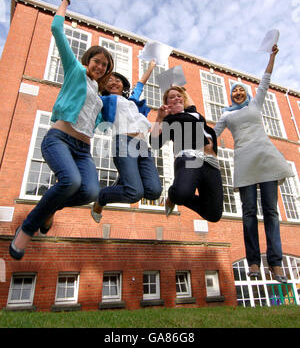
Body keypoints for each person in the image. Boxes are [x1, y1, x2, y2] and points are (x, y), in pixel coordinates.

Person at [9, 0, 115, 260]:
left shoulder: (101, 98)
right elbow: (57, 28)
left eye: (105, 65)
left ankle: (50, 207)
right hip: (59, 140)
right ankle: (27, 227)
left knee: (90, 190)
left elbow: (101, 127)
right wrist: (66, 0)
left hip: (83, 150)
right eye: (97, 61)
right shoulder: (75, 71)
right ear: (88, 61)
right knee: (70, 181)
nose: (100, 67)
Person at [214, 45, 293, 283]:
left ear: (247, 93)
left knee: (271, 211)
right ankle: (254, 262)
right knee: (249, 212)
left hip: (266, 159)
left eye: (240, 90)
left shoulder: (255, 104)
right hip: (245, 162)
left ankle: (276, 263)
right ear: (231, 97)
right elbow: (211, 136)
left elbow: (265, 81)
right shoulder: (226, 115)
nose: (237, 92)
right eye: (234, 91)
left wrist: (272, 57)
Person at [91, 60, 162, 222]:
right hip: (123, 143)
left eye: (118, 80)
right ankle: (101, 197)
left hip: (143, 146)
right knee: (134, 193)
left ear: (123, 85)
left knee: (154, 191)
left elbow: (140, 85)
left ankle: (122, 180)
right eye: (109, 80)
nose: (114, 81)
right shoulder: (103, 100)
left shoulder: (132, 101)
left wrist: (150, 67)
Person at [150, 86, 223, 222]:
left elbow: (187, 98)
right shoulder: (170, 120)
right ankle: (173, 196)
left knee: (214, 214)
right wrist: (159, 118)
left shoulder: (194, 113)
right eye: (171, 97)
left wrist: (180, 89)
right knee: (181, 194)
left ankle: (178, 195)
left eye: (179, 96)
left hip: (212, 163)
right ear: (167, 104)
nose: (176, 98)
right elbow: (154, 143)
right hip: (189, 158)